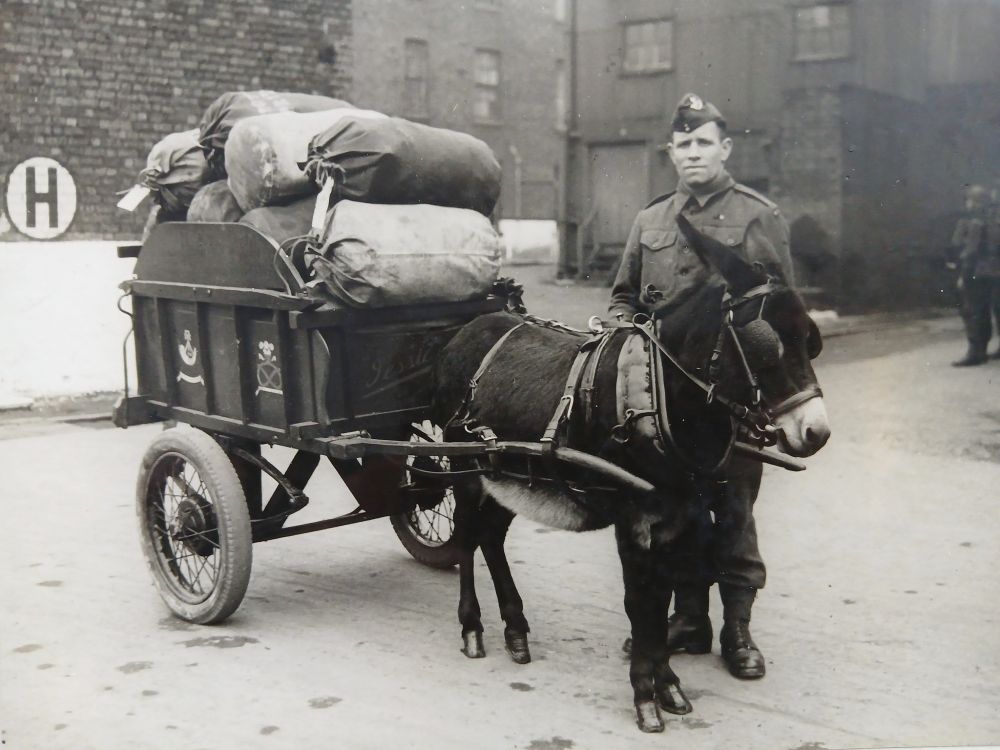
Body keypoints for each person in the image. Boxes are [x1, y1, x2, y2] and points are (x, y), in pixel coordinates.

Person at [609, 93, 796, 679]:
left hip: (733, 403)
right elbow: (622, 299)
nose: (693, 153)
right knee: (675, 516)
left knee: (733, 517)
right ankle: (688, 621)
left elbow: (783, 314)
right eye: (683, 144)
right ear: (671, 152)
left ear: (725, 148)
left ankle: (737, 631)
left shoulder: (757, 215)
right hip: (664, 408)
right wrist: (628, 337)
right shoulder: (652, 219)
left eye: (704, 143)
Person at [948, 184, 1000, 366]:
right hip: (993, 270)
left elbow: (969, 250)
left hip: (976, 270)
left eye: (970, 200)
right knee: (992, 309)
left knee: (974, 311)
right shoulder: (993, 218)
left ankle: (976, 352)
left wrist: (962, 273)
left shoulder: (974, 221)